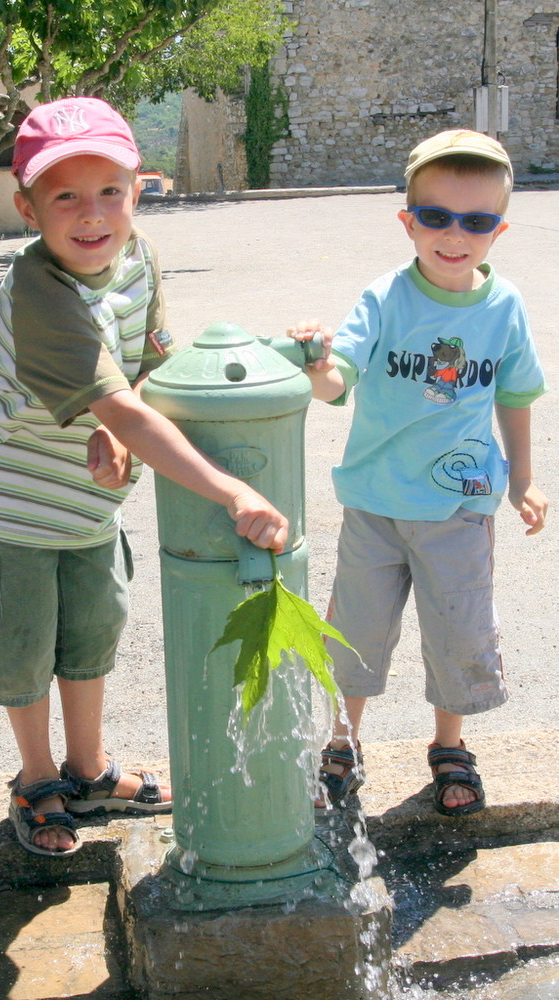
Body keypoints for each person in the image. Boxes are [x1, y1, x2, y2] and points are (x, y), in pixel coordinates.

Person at [0, 97, 288, 856]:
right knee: (25, 643)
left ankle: (89, 769)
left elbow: (148, 368)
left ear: (138, 190)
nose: (92, 214)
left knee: (93, 628)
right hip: (8, 499)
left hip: (85, 503)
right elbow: (127, 410)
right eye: (65, 195)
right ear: (28, 208)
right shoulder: (40, 290)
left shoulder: (139, 260)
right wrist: (230, 489)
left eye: (110, 191)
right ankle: (37, 780)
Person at [291, 129, 548, 816]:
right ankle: (342, 742)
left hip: (461, 508)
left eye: (475, 221)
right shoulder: (386, 299)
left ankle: (450, 745)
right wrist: (318, 364)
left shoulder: (504, 307)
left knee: (457, 628)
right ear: (409, 222)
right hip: (375, 503)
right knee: (356, 632)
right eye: (435, 217)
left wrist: (523, 478)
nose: (453, 234)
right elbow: (337, 380)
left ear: (498, 229)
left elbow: (517, 395)